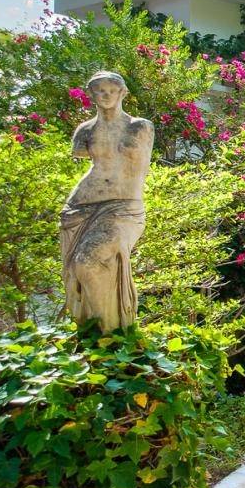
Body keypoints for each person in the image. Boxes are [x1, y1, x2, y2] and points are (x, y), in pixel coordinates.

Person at [60, 71, 153, 332]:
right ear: (92, 95)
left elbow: (139, 171)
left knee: (88, 261)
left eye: (112, 89)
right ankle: (93, 335)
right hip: (81, 207)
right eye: (99, 90)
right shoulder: (85, 131)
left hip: (125, 208)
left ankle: (110, 337)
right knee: (81, 269)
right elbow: (92, 166)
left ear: (123, 93)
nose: (106, 95)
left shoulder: (140, 127)